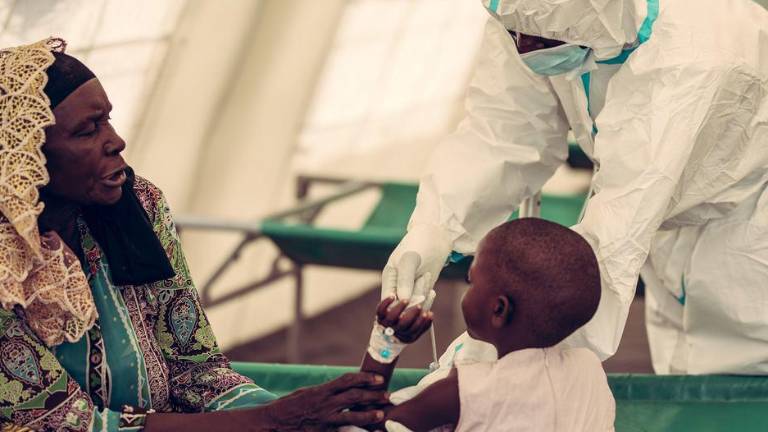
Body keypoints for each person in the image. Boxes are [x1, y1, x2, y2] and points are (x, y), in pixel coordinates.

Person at [0, 38, 388, 432]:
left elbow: (195, 370)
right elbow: (68, 425)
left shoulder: (137, 207)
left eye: (108, 120)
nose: (116, 141)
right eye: (88, 130)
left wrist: (301, 416)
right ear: (23, 156)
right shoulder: (5, 271)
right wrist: (274, 419)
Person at [383, 0, 768, 374]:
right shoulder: (531, 18)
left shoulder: (694, 53)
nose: (525, 47)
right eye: (515, 32)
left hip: (746, 237)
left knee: (743, 392)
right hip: (670, 242)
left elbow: (613, 236)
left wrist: (477, 364)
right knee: (684, 383)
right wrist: (436, 227)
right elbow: (502, 131)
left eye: (542, 39)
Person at [364, 219, 614, 432]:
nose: (467, 288)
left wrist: (386, 342)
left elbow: (369, 420)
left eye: (470, 281)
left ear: (499, 309)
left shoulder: (464, 391)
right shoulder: (589, 368)